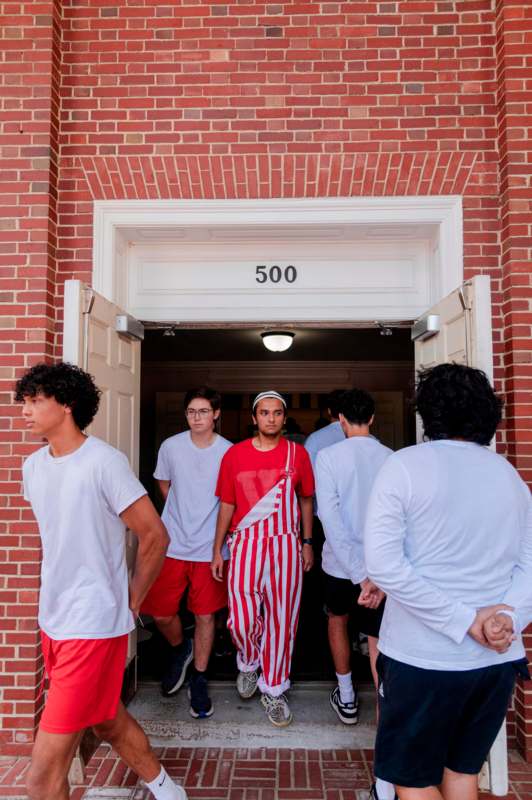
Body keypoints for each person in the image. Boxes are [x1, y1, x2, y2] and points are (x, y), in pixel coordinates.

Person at [16, 362, 186, 800]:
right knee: (105, 716)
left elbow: (154, 535)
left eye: (36, 401)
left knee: (42, 772)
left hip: (92, 624)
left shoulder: (104, 463)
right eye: (26, 401)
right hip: (54, 619)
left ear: (67, 404)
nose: (26, 411)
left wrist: (132, 599)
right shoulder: (33, 468)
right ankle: (168, 790)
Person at [364, 363, 532, 800]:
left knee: (414, 780)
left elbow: (382, 563)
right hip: (494, 661)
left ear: (427, 412)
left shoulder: (404, 466)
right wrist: (506, 619)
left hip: (424, 659)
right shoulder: (509, 476)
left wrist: (465, 621)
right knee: (461, 774)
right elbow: (528, 565)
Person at [211, 390, 315, 727]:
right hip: (244, 543)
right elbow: (227, 503)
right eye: (264, 413)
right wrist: (217, 549)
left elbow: (306, 501)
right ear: (253, 418)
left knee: (282, 619)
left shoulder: (297, 455)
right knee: (240, 620)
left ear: (284, 418)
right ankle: (248, 660)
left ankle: (273, 687)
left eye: (277, 413)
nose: (271, 418)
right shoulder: (234, 456)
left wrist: (307, 542)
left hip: (286, 543)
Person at [316, 389, 395, 800]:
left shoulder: (329, 457)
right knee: (380, 640)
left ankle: (346, 695)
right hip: (381, 572)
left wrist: (356, 574)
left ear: (341, 420)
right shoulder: (391, 458)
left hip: (341, 566)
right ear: (373, 419)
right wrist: (372, 576)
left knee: (338, 622)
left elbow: (328, 517)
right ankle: (384, 715)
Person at [140, 387, 232, 718]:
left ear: (216, 414)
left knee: (205, 615)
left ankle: (200, 678)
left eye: (203, 411)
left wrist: (218, 545)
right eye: (192, 412)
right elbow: (164, 486)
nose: (197, 417)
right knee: (162, 613)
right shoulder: (171, 447)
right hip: (174, 542)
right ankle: (182, 649)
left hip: (210, 548)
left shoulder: (228, 452)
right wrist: (182, 513)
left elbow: (229, 501)